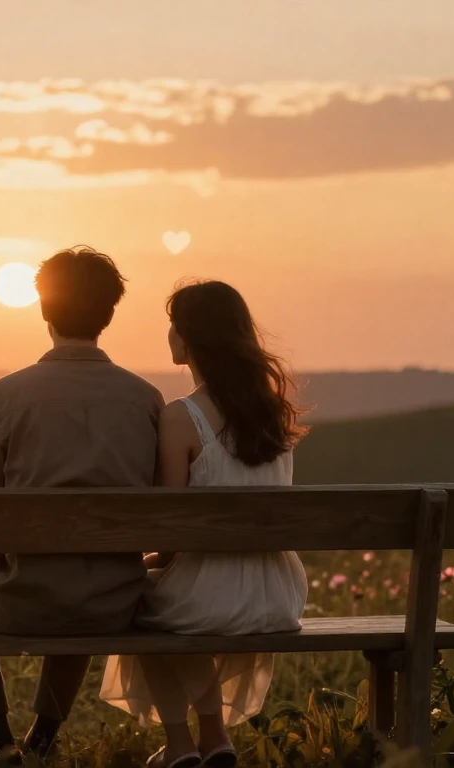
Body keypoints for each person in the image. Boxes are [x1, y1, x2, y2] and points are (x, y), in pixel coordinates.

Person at [0, 245, 165, 763]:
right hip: (114, 601)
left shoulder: (3, 397)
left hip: (23, 597)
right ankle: (44, 735)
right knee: (87, 573)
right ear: (110, 312)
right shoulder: (146, 399)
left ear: (42, 309)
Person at [99, 280, 309, 768]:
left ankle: (181, 743)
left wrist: (151, 560)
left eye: (173, 325)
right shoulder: (273, 413)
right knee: (167, 599)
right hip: (275, 592)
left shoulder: (181, 417)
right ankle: (213, 739)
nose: (169, 334)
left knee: (138, 602)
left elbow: (171, 532)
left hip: (214, 592)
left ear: (189, 338)